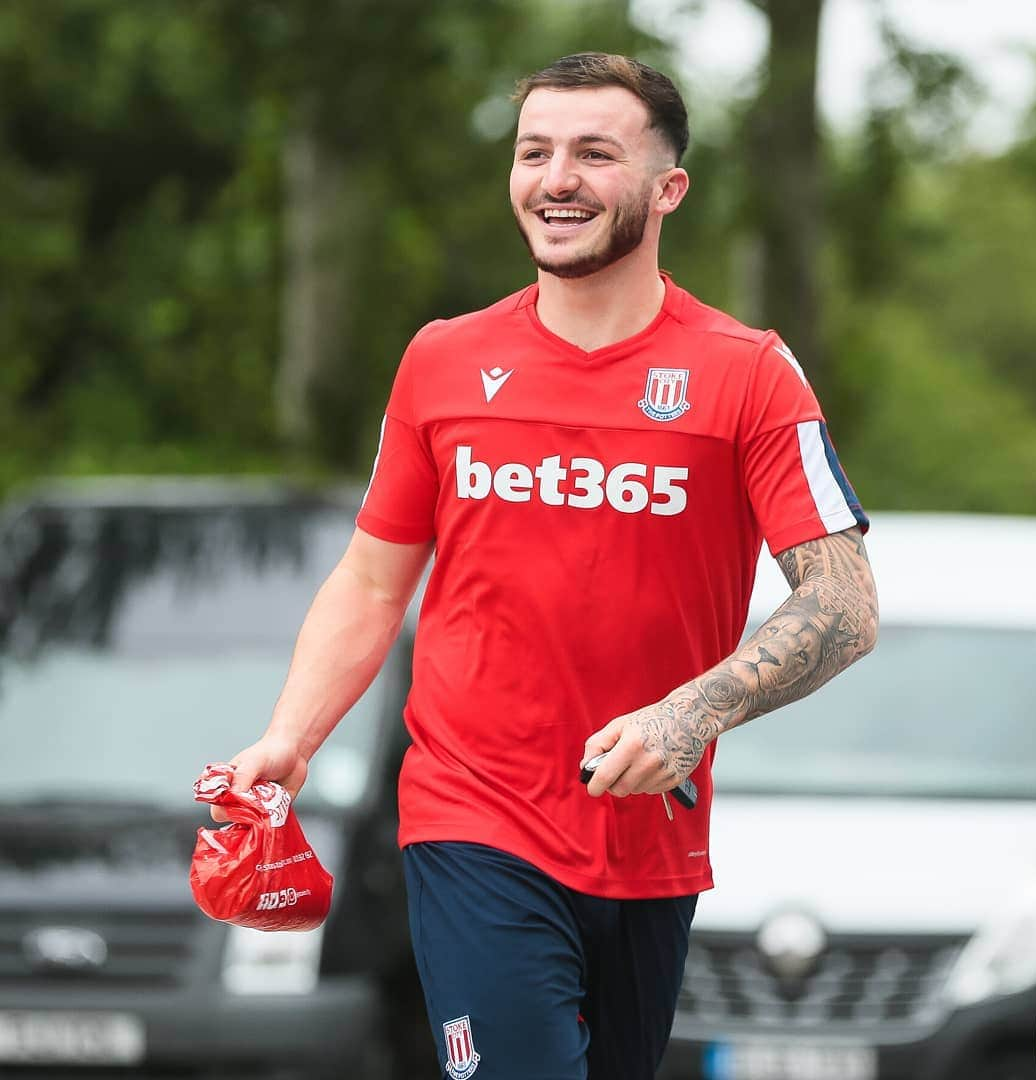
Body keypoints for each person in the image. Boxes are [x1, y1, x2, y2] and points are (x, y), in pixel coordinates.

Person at [210, 52, 879, 1080]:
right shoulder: (441, 359)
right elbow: (373, 579)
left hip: (650, 839)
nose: (555, 177)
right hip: (471, 817)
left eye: (594, 153)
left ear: (668, 189)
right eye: (535, 152)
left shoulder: (747, 373)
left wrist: (689, 713)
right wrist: (291, 737)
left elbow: (843, 604)